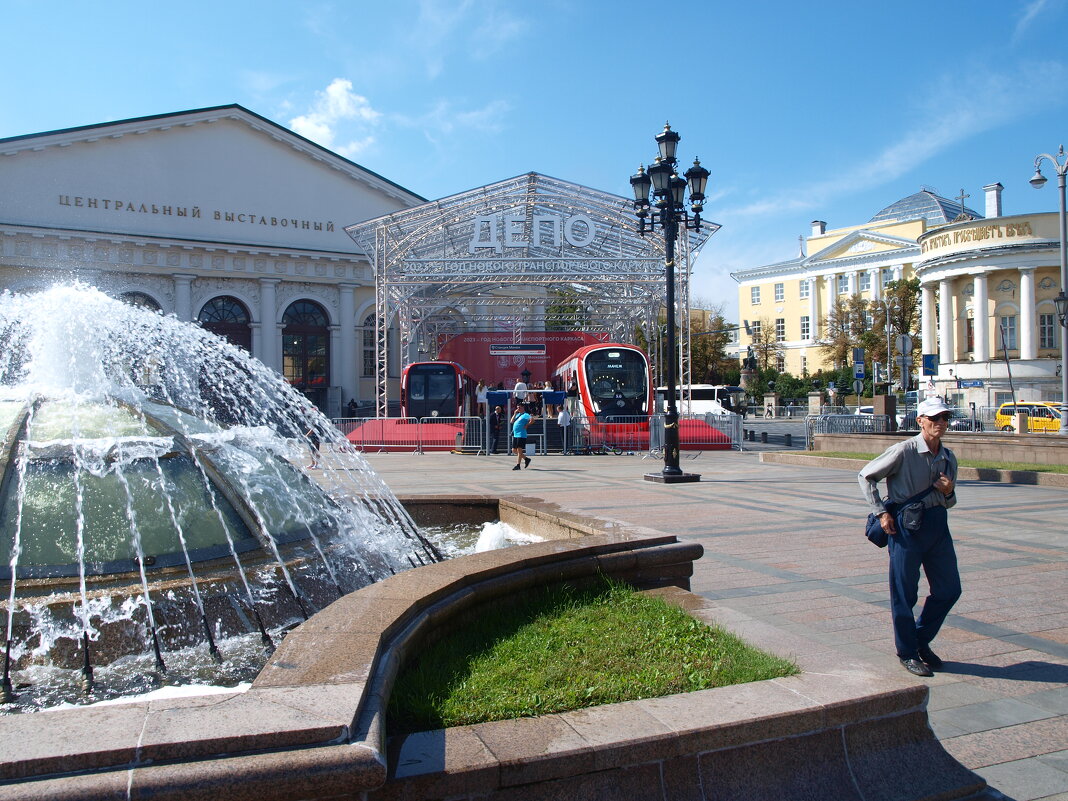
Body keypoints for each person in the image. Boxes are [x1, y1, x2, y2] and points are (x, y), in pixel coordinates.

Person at [859, 397, 961, 678]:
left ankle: (919, 639)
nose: (940, 423)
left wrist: (949, 490)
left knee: (949, 589)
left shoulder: (948, 457)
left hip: (938, 526)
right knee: (904, 593)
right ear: (920, 421)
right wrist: (881, 513)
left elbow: (950, 501)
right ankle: (907, 651)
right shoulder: (904, 451)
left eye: (944, 418)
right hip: (906, 528)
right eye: (934, 418)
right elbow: (866, 475)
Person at [511, 403, 532, 470]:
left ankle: (518, 465)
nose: (518, 409)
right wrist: (514, 413)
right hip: (515, 434)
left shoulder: (526, 415)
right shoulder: (518, 415)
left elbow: (532, 420)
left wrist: (527, 425)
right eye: (517, 407)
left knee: (519, 450)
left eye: (519, 407)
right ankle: (526, 459)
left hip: (521, 434)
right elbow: (511, 421)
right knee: (514, 450)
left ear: (523, 408)